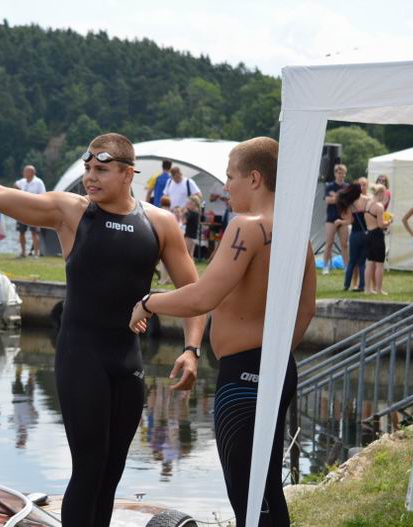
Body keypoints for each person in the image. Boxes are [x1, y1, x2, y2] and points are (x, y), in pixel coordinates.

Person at [0, 133, 206, 527]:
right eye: (87, 169)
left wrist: (191, 349)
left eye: (101, 170)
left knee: (111, 471)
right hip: (82, 356)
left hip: (127, 360)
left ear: (128, 174)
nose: (90, 178)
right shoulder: (71, 212)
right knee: (89, 466)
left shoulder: (159, 224)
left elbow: (193, 293)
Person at [128, 137, 316, 526]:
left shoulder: (246, 227)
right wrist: (275, 353)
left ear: (255, 178)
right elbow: (307, 308)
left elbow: (203, 296)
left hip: (243, 377)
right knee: (265, 489)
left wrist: (148, 302)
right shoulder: (297, 233)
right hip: (276, 369)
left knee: (247, 493)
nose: (226, 186)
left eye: (231, 177)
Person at [336, 183, 369, 292]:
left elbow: (350, 221)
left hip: (355, 234)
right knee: (362, 263)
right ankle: (362, 286)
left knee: (352, 262)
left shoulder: (351, 204)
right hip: (366, 234)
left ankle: (346, 285)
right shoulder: (367, 200)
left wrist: (340, 221)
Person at [364, 184, 393, 295]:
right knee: (380, 264)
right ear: (380, 193)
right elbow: (381, 224)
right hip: (377, 235)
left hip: (369, 233)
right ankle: (379, 289)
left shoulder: (368, 204)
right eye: (384, 194)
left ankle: (368, 289)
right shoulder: (379, 206)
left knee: (369, 263)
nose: (385, 196)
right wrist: (389, 221)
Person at [322, 164, 350, 275]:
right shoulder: (329, 186)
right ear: (335, 174)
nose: (340, 175)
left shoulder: (347, 187)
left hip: (343, 218)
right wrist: (340, 197)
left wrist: (336, 196)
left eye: (342, 173)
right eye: (338, 173)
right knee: (329, 243)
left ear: (345, 174)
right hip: (331, 218)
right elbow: (328, 200)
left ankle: (346, 267)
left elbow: (347, 201)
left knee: (344, 244)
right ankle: (325, 266)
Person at [14, 165, 46, 258]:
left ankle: (36, 253)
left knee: (34, 232)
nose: (24, 173)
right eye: (24, 171)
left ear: (32, 173)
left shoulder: (39, 182)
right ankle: (23, 252)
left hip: (34, 210)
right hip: (22, 210)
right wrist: (19, 191)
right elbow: (15, 184)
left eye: (26, 171)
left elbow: (43, 195)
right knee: (21, 232)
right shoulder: (22, 181)